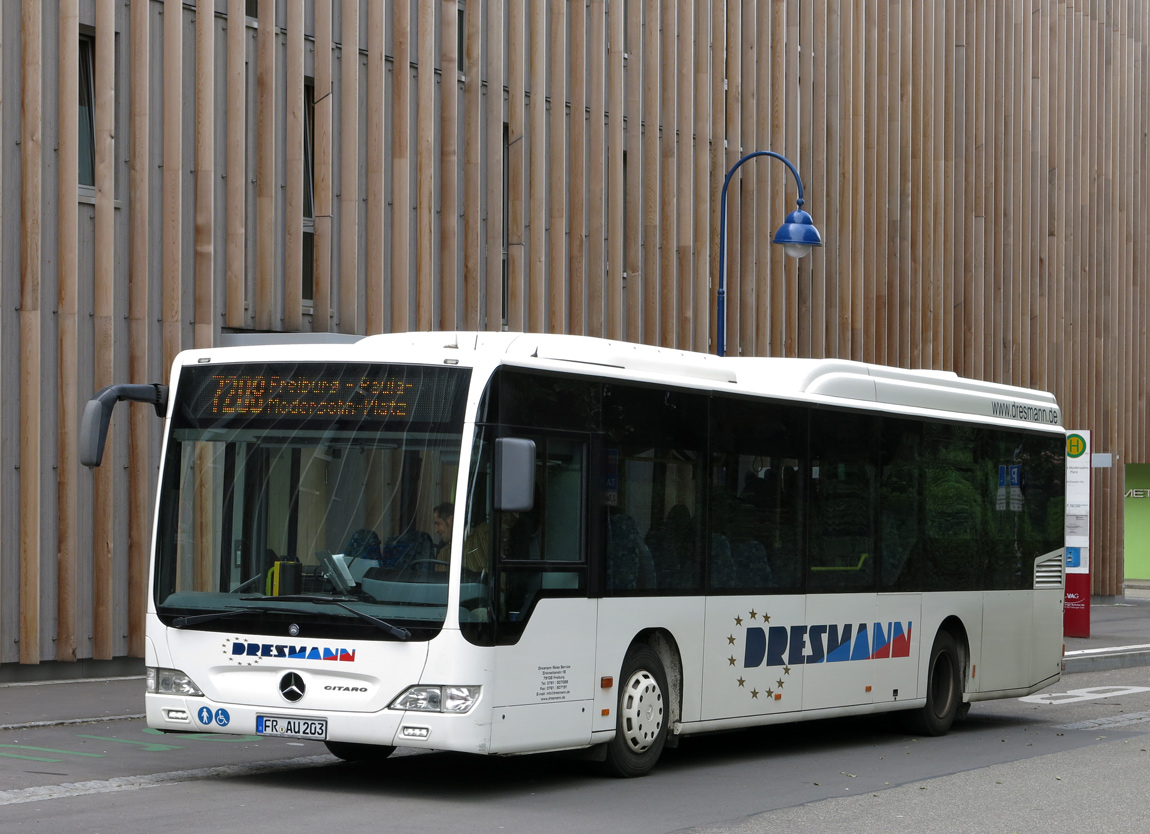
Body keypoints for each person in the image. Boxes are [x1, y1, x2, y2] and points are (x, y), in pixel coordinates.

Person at [433, 502, 454, 572]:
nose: (436, 530)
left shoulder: (481, 536)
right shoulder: (443, 555)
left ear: (450, 520)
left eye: (438, 523)